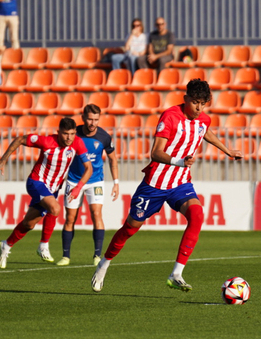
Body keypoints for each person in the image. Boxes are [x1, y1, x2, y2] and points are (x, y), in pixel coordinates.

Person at [91, 79, 243, 293]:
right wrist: (180, 161)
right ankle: (104, 264)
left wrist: (226, 150)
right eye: (195, 103)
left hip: (180, 183)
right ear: (186, 99)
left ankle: (176, 273)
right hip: (154, 184)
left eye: (203, 103)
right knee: (130, 229)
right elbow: (155, 153)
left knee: (197, 215)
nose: (199, 108)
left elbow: (204, 130)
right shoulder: (170, 117)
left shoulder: (203, 119)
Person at [0, 118, 92, 269]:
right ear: (59, 132)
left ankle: (6, 245)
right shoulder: (46, 141)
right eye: (66, 134)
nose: (69, 138)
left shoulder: (77, 143)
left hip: (52, 189)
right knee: (55, 208)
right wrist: (2, 160)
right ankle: (43, 246)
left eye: (72, 134)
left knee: (29, 224)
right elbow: (20, 139)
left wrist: (78, 187)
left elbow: (89, 168)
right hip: (36, 182)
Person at [39, 103, 119, 266]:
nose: (92, 123)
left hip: (95, 180)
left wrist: (116, 182)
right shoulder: (74, 135)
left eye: (96, 119)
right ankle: (66, 256)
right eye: (90, 119)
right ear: (83, 118)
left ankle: (97, 255)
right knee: (70, 218)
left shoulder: (104, 137)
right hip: (74, 180)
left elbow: (113, 159)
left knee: (96, 214)